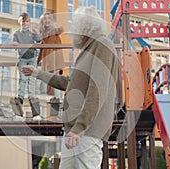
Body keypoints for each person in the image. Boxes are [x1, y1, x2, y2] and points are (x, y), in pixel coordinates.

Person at [22, 6, 120, 169]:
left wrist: (80, 127)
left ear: (84, 27)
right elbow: (70, 82)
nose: (72, 31)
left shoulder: (102, 45)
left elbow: (97, 91)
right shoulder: (88, 51)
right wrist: (38, 73)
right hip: (75, 129)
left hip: (87, 131)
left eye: (75, 26)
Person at [13, 12, 42, 120]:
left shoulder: (31, 32)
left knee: (32, 79)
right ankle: (20, 100)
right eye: (23, 21)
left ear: (29, 22)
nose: (25, 23)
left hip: (32, 58)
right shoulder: (17, 33)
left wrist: (36, 32)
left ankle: (32, 98)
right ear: (20, 22)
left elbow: (39, 40)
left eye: (27, 21)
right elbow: (14, 42)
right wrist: (16, 44)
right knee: (22, 79)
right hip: (22, 58)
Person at [37, 12, 65, 96]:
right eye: (44, 19)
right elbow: (42, 52)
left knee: (56, 88)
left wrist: (58, 67)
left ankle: (59, 107)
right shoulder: (44, 37)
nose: (46, 20)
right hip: (45, 65)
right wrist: (38, 63)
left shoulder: (55, 35)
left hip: (54, 65)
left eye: (48, 18)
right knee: (43, 89)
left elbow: (59, 52)